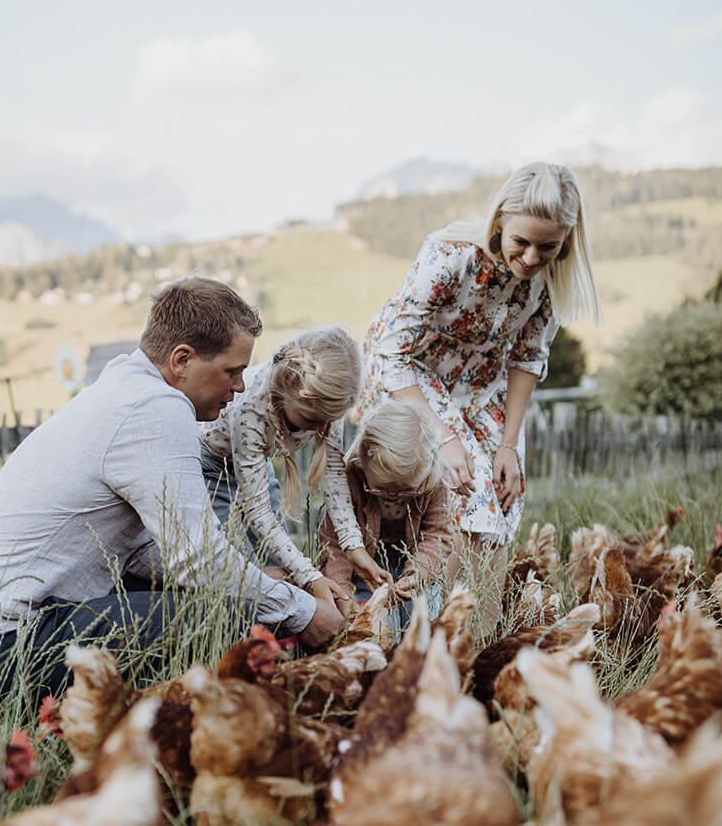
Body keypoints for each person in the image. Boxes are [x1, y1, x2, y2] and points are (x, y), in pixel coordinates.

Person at [0, 277, 345, 698]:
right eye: (232, 371)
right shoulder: (154, 409)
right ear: (182, 359)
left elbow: (143, 552)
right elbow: (197, 559)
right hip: (10, 650)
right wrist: (300, 612)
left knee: (234, 599)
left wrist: (257, 578)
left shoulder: (126, 387)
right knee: (231, 620)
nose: (241, 388)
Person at [358, 161, 600, 623]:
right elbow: (391, 352)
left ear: (566, 240)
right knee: (462, 489)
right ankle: (425, 632)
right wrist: (444, 438)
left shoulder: (549, 280)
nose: (531, 258)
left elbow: (527, 359)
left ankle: (481, 637)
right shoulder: (448, 256)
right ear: (499, 223)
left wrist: (508, 445)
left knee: (503, 493)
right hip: (412, 375)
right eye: (521, 242)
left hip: (482, 386)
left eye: (547, 247)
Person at [199, 326, 390, 605]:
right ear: (297, 394)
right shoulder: (251, 410)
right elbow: (258, 511)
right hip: (213, 473)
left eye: (327, 421)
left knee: (285, 565)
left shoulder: (324, 407)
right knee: (245, 574)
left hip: (256, 469)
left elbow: (335, 479)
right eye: (310, 420)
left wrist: (353, 545)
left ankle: (286, 640)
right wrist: (310, 575)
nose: (319, 428)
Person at [317, 398, 454, 623]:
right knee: (374, 622)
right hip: (363, 564)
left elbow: (438, 535)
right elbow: (335, 544)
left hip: (417, 559)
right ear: (365, 462)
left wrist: (418, 573)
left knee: (421, 618)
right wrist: (342, 592)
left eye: (405, 491)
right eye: (383, 490)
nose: (393, 496)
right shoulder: (349, 479)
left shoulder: (435, 481)